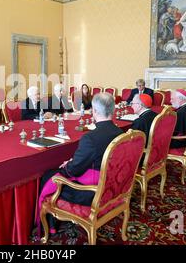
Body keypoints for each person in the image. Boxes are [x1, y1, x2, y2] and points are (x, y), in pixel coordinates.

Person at [37, 93, 123, 232]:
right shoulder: (119, 132)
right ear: (112, 110)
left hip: (93, 193)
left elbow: (73, 170)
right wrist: (75, 161)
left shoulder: (90, 138)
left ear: (94, 111)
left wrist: (66, 167)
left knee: (49, 176)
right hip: (113, 184)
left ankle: (50, 227)